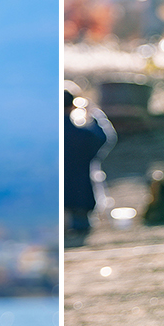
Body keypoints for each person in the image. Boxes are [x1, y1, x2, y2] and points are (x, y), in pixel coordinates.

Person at [64, 80, 116, 248]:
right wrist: (93, 114)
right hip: (80, 197)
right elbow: (105, 137)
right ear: (73, 105)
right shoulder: (82, 135)